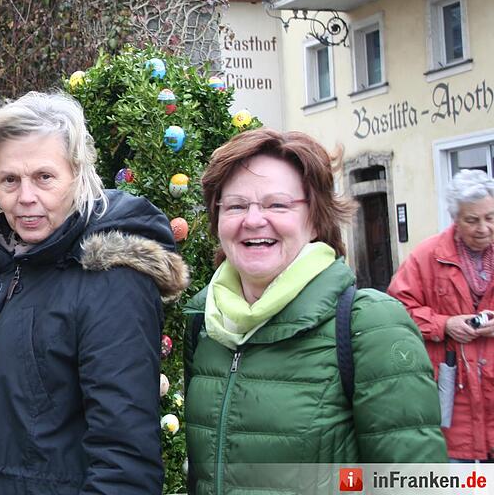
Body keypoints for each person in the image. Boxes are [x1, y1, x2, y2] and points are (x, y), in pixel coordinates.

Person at [0, 91, 188, 495]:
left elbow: (124, 463)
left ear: (78, 175)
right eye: (10, 180)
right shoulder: (0, 269)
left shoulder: (111, 279)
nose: (26, 197)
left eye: (44, 177)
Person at [184, 129, 445, 494]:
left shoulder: (368, 324)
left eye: (278, 205)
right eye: (236, 205)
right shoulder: (204, 320)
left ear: (315, 218)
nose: (254, 220)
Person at [388, 168, 494, 462]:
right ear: (455, 219)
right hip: (452, 396)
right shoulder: (428, 255)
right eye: (472, 220)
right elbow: (398, 309)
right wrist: (444, 324)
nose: (483, 228)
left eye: (490, 217)